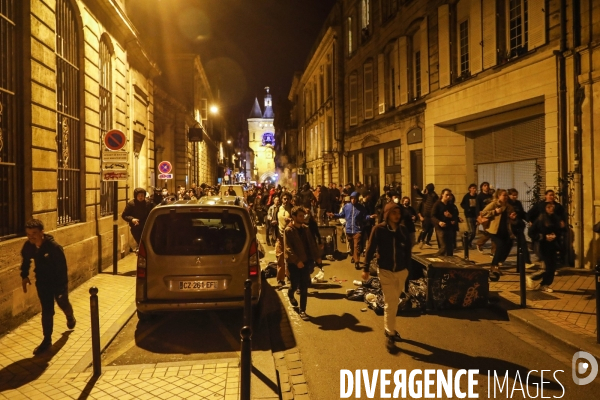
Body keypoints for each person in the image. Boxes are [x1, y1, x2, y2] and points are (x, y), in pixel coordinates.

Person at [21, 219, 76, 355]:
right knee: (47, 310)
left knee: (63, 303)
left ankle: (70, 316)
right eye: (28, 234)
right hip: (43, 283)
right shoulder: (29, 246)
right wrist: (24, 275)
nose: (31, 236)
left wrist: (62, 288)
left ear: (42, 232)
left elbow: (62, 269)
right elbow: (26, 260)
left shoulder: (54, 247)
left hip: (58, 283)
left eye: (34, 233)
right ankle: (47, 340)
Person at [363, 202, 412, 352]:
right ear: (387, 214)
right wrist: (365, 269)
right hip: (385, 271)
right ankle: (390, 334)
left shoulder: (403, 230)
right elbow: (370, 249)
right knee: (390, 302)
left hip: (401, 271)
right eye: (393, 213)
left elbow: (408, 251)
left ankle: (388, 328)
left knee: (395, 302)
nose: (397, 216)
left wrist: (408, 271)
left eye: (398, 213)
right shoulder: (379, 229)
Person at [284, 206, 322, 320]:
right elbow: (288, 249)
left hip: (306, 262)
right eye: (300, 216)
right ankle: (290, 294)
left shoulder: (306, 229)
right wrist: (297, 261)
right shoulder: (289, 230)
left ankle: (302, 310)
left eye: (303, 215)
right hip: (294, 263)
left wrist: (317, 257)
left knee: (304, 287)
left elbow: (312, 244)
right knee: (294, 285)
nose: (303, 218)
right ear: (294, 217)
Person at [328, 192, 377, 270]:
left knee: (356, 246)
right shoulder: (346, 207)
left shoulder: (361, 208)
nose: (353, 200)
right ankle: (353, 256)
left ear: (357, 199)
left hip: (357, 229)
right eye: (352, 198)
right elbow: (342, 215)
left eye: (354, 198)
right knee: (351, 246)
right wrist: (334, 215)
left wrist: (370, 216)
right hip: (349, 230)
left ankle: (357, 262)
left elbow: (365, 216)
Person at [480, 189, 518, 279]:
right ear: (498, 196)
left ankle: (498, 262)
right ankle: (494, 266)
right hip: (494, 230)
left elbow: (513, 221)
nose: (505, 197)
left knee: (509, 244)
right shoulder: (494, 204)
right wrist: (495, 212)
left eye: (506, 195)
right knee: (500, 245)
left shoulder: (509, 207)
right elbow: (483, 213)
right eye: (503, 195)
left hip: (505, 230)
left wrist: (513, 218)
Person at [527, 202, 562, 292]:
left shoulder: (555, 219)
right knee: (546, 267)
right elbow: (531, 232)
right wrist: (543, 236)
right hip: (542, 246)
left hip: (552, 245)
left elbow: (559, 231)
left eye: (552, 207)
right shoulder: (541, 219)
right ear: (545, 209)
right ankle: (532, 277)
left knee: (552, 266)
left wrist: (555, 235)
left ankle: (545, 284)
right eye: (549, 207)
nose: (551, 208)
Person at [431, 189, 458, 256]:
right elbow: (432, 216)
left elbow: (455, 215)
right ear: (442, 195)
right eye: (447, 195)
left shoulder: (450, 205)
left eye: (449, 195)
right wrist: (439, 222)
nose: (448, 196)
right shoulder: (437, 204)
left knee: (450, 247)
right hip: (440, 228)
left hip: (449, 227)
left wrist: (451, 216)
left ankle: (449, 262)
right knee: (443, 247)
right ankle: (434, 258)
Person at [275, 193, 293, 286]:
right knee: (280, 258)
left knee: (290, 258)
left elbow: (298, 220)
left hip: (290, 238)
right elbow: (274, 219)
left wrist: (291, 220)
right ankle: (280, 279)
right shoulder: (277, 208)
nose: (286, 200)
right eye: (284, 199)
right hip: (280, 236)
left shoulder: (293, 209)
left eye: (288, 199)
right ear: (281, 199)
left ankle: (290, 277)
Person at [414, 183, 439, 248]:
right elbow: (420, 194)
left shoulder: (431, 196)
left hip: (430, 215)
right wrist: (417, 190)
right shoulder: (432, 196)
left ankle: (425, 241)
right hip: (428, 216)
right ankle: (422, 240)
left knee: (429, 229)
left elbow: (420, 194)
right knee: (426, 229)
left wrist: (417, 190)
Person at [475, 182, 494, 254]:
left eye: (487, 186)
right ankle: (479, 243)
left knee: (492, 232)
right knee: (489, 232)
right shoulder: (479, 197)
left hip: (491, 215)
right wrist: (479, 217)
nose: (486, 187)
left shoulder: (490, 195)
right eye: (485, 186)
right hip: (484, 216)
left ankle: (493, 252)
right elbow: (477, 207)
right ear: (482, 187)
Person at [460, 184, 478, 248]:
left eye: (475, 188)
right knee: (471, 231)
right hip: (469, 215)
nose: (474, 190)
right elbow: (462, 204)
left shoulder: (477, 196)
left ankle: (467, 241)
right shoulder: (466, 196)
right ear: (470, 189)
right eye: (473, 188)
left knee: (474, 232)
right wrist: (467, 208)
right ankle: (466, 241)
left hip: (475, 215)